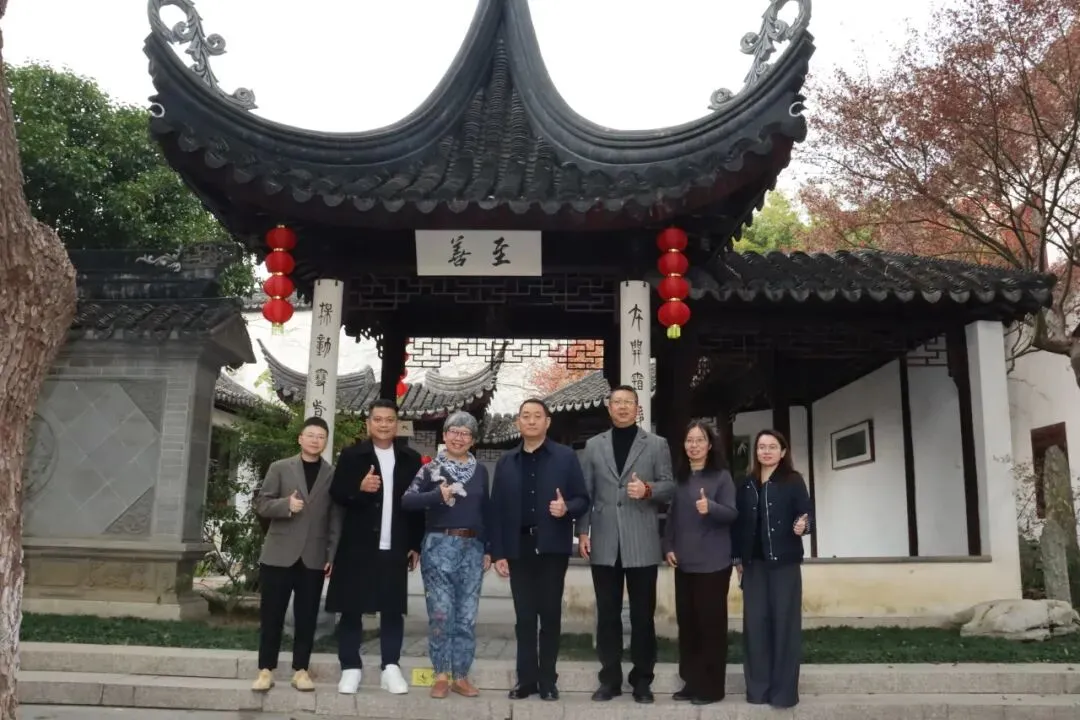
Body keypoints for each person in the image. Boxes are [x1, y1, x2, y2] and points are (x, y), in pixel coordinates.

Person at [576, 385, 675, 704]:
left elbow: (670, 486)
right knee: (607, 614)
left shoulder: (656, 444)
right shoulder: (594, 445)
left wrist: (648, 490)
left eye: (628, 402)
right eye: (616, 402)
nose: (622, 407)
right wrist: (583, 532)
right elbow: (586, 493)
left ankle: (642, 679)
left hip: (641, 540)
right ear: (609, 407)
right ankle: (610, 679)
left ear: (637, 408)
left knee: (643, 616)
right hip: (604, 540)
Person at [490, 399, 590, 702]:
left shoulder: (565, 457)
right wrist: (498, 552)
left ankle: (547, 680)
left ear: (548, 422)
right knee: (524, 618)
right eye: (526, 416)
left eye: (537, 416)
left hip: (551, 547)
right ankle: (526, 680)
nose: (531, 421)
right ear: (518, 422)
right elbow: (497, 509)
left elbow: (582, 499)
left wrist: (566, 507)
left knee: (549, 615)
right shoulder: (506, 461)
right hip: (518, 547)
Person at [326, 399, 424, 695]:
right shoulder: (352, 455)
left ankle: (390, 667)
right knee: (351, 607)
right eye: (378, 419)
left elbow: (417, 505)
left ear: (397, 424)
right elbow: (337, 494)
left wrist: (415, 543)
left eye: (389, 420)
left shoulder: (410, 458)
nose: (384, 425)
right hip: (358, 544)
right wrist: (359, 489)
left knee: (392, 608)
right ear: (368, 424)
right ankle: (350, 667)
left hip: (395, 543)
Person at [401, 411, 493, 699]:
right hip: (439, 546)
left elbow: (486, 511)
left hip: (472, 548)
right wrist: (436, 496)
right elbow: (407, 500)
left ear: (473, 440)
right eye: (454, 431)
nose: (459, 437)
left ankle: (461, 676)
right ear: (444, 435)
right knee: (441, 614)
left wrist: (488, 548)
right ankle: (441, 674)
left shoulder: (480, 472)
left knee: (467, 617)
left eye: (465, 433)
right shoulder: (430, 469)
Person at [251, 417, 343, 693]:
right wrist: (286, 505)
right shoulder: (280, 467)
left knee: (307, 617)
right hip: (279, 554)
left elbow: (335, 518)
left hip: (314, 556)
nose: (315, 440)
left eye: (321, 437)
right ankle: (265, 670)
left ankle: (300, 670)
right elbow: (262, 504)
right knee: (272, 615)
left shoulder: (332, 474)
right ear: (300, 438)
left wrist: (331, 554)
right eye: (310, 435)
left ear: (326, 442)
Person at [732, 428, 813, 709]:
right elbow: (738, 524)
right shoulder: (746, 484)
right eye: (761, 447)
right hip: (753, 566)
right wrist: (737, 560)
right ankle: (757, 689)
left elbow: (807, 513)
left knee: (784, 626)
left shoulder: (793, 481)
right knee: (755, 627)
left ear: (783, 451)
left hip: (784, 565)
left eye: (772, 447)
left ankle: (783, 693)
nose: (766, 451)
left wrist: (803, 524)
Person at [662, 420, 738, 706]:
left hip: (713, 565)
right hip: (684, 563)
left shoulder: (721, 477)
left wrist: (711, 508)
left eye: (699, 440)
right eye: (689, 440)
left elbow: (732, 513)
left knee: (711, 627)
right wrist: (668, 546)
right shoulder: (681, 478)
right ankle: (691, 682)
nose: (694, 445)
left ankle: (712, 687)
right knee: (688, 625)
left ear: (709, 445)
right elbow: (672, 517)